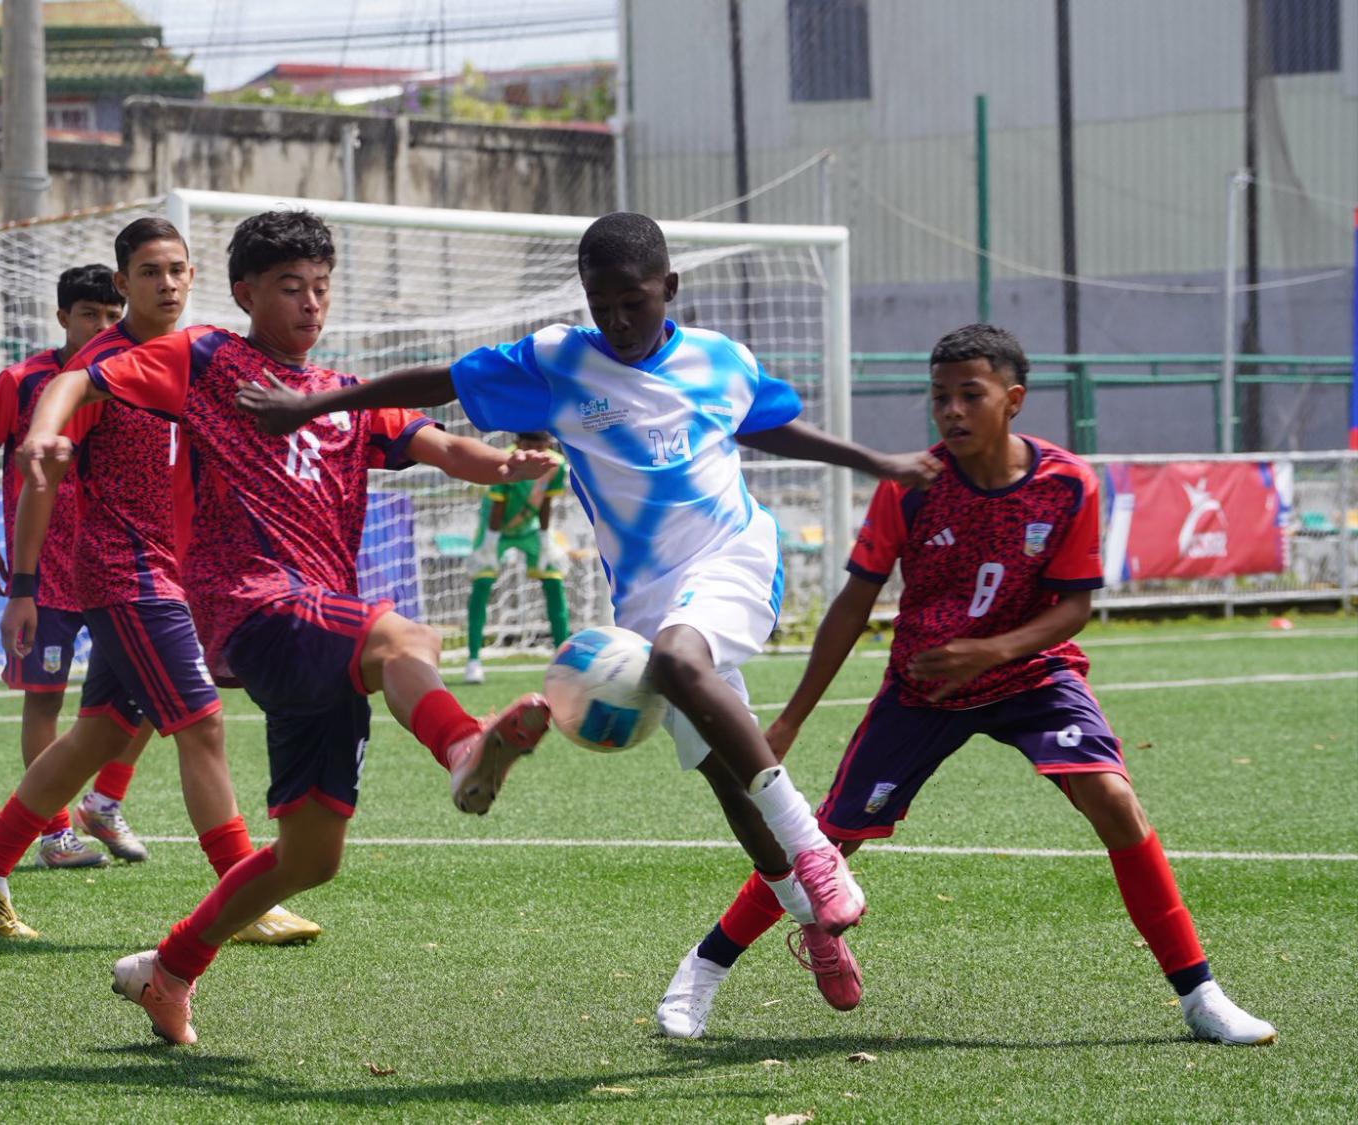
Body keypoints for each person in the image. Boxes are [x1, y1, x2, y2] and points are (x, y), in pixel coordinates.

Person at [237, 211, 942, 1027]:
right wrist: (311, 405)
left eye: (633, 302)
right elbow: (437, 382)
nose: (616, 319)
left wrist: (876, 460)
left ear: (668, 289)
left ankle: (818, 858)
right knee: (728, 780)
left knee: (682, 663)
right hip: (645, 600)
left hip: (734, 560)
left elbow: (773, 424)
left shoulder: (721, 360)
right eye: (601, 302)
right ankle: (814, 920)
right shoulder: (558, 361)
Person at [20, 209, 562, 1044]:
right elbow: (84, 379)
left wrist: (512, 466)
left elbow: (448, 449)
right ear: (244, 293)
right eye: (289, 288)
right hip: (249, 605)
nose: (311, 304)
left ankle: (166, 971)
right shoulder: (207, 359)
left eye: (320, 288)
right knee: (405, 638)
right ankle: (463, 746)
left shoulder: (346, 399)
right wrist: (41, 433)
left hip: (315, 631)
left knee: (311, 857)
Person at [662, 324, 1278, 1046]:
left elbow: (1075, 605)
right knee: (827, 844)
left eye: (969, 395)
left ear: (1012, 400)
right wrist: (794, 716)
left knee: (1116, 801)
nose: (951, 411)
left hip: (1032, 676)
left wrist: (992, 650)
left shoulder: (1066, 483)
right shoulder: (912, 488)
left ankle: (1200, 995)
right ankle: (703, 968)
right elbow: (852, 604)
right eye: (939, 398)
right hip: (924, 688)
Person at [0, 217, 321, 945]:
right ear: (123, 284)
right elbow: (39, 481)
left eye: (178, 269)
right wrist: (23, 586)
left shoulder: (199, 355)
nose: (168, 283)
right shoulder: (102, 369)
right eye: (150, 272)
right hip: (124, 571)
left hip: (171, 573)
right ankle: (245, 896)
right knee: (203, 723)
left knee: (98, 736)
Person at [0, 263, 146, 869]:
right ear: (63, 316)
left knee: (154, 691)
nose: (101, 325)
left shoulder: (132, 376)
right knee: (44, 702)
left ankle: (105, 801)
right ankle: (54, 833)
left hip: (115, 564)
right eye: (89, 314)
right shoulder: (24, 380)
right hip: (43, 574)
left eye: (111, 316)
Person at [463, 430, 571, 684]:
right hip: (495, 529)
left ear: (548, 443)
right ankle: (473, 659)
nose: (534, 451)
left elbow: (546, 502)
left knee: (554, 580)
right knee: (482, 583)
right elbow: (498, 505)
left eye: (540, 445)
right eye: (528, 444)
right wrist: (489, 544)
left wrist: (546, 539)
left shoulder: (556, 465)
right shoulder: (505, 460)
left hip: (530, 529)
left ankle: (563, 661)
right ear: (517, 442)